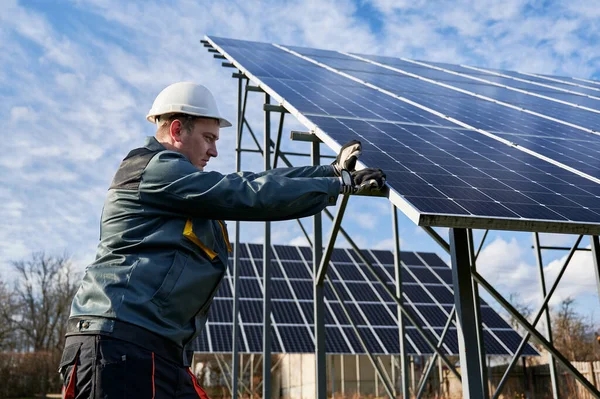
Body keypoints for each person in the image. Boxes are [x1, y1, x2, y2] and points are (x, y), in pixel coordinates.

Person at [58, 82, 386, 398]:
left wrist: (329, 174)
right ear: (176, 130)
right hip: (120, 344)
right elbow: (242, 193)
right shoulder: (153, 168)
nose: (214, 151)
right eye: (208, 138)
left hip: (156, 348)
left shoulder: (182, 187)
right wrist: (337, 185)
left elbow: (252, 182)